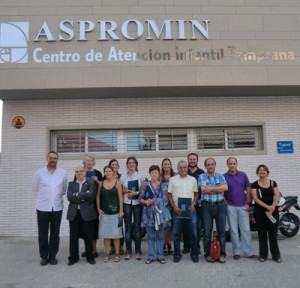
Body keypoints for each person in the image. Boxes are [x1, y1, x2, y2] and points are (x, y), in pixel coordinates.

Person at [32, 151, 68, 266]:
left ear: (57, 160)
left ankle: (52, 256)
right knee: (42, 233)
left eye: (55, 158)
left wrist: (54, 199)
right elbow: (35, 189)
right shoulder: (39, 173)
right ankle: (44, 256)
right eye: (51, 158)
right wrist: (44, 199)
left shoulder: (62, 173)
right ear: (47, 159)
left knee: (54, 233)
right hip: (42, 207)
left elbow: (64, 189)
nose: (53, 160)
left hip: (57, 207)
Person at [223, 157, 258, 260]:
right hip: (230, 206)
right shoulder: (223, 177)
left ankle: (248, 252)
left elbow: (248, 188)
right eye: (230, 163)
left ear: (237, 164)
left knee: (246, 230)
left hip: (243, 206)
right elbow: (222, 192)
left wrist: (248, 203)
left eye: (234, 163)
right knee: (233, 230)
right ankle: (237, 251)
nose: (232, 165)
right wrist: (226, 204)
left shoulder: (243, 175)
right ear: (227, 165)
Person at [168, 160, 199, 263]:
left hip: (190, 210)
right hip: (177, 210)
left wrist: (193, 204)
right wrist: (174, 207)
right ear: (177, 168)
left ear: (187, 168)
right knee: (176, 234)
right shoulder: (172, 180)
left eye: (184, 167)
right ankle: (177, 254)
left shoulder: (193, 179)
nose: (182, 169)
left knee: (193, 233)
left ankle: (194, 254)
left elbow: (196, 194)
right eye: (180, 167)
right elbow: (169, 195)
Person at [199, 158, 228, 263]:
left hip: (220, 206)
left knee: (221, 232)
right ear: (205, 166)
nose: (210, 166)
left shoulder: (221, 176)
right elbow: (203, 190)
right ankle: (208, 254)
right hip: (206, 206)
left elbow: (225, 188)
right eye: (208, 164)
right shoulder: (201, 176)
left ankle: (222, 254)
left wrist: (210, 189)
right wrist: (218, 188)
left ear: (215, 165)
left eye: (212, 164)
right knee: (207, 232)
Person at [251, 164, 282, 263]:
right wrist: (267, 207)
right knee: (262, 234)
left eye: (264, 170)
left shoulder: (273, 183)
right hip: (260, 212)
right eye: (260, 170)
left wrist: (271, 208)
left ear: (267, 172)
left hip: (273, 210)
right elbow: (255, 198)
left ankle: (276, 256)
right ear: (257, 172)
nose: (262, 171)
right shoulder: (254, 184)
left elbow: (277, 195)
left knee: (273, 234)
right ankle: (263, 255)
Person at [66, 166, 97, 265]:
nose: (79, 173)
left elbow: (92, 195)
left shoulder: (90, 183)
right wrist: (84, 195)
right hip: (74, 214)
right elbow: (69, 197)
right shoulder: (71, 184)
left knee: (88, 237)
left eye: (81, 171)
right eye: (77, 172)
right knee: (73, 237)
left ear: (85, 172)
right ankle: (73, 257)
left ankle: (90, 257)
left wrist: (77, 195)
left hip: (87, 213)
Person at [139, 165, 168, 264]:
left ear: (159, 173)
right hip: (148, 215)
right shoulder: (146, 185)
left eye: (156, 172)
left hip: (159, 215)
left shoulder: (163, 185)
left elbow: (165, 200)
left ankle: (160, 255)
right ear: (150, 174)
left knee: (160, 236)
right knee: (150, 236)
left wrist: (154, 201)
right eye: (152, 172)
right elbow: (140, 198)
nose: (154, 174)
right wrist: (146, 202)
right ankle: (151, 256)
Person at [76, 155, 103, 258]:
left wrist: (97, 181)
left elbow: (103, 187)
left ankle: (94, 250)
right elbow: (76, 186)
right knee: (84, 226)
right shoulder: (80, 172)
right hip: (83, 204)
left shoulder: (98, 173)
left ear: (93, 162)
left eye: (91, 161)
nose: (89, 162)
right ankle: (87, 249)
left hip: (94, 203)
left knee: (94, 227)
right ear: (84, 162)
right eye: (87, 161)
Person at [119, 156, 145, 260]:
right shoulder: (123, 177)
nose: (131, 164)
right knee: (128, 228)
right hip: (127, 203)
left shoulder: (140, 175)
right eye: (129, 163)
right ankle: (128, 251)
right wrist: (128, 191)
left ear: (136, 164)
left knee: (137, 228)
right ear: (127, 165)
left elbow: (143, 190)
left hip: (137, 203)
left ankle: (138, 251)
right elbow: (120, 191)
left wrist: (136, 193)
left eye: (133, 162)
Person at [97, 165, 124, 263]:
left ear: (113, 172)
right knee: (106, 235)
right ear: (104, 173)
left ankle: (117, 254)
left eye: (110, 171)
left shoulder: (118, 184)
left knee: (117, 235)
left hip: (116, 214)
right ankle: (107, 254)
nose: (108, 173)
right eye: (106, 171)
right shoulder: (101, 184)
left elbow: (121, 199)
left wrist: (121, 211)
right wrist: (98, 209)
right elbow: (98, 197)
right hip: (105, 214)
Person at [185, 153, 204, 255]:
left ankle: (196, 247)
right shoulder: (184, 171)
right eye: (190, 159)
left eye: (194, 159)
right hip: (186, 202)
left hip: (198, 202)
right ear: (188, 160)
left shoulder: (201, 172)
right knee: (186, 225)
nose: (192, 161)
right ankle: (187, 246)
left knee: (197, 226)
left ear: (197, 160)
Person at [108, 159, 124, 256]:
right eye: (112, 165)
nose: (114, 166)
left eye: (116, 165)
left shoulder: (121, 177)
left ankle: (120, 247)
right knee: (110, 226)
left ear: (118, 166)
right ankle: (112, 247)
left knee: (119, 225)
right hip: (109, 205)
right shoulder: (106, 176)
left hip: (119, 204)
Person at [160, 158, 175, 256]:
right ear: (162, 166)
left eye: (168, 164)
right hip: (162, 203)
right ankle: (166, 244)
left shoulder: (175, 176)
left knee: (171, 225)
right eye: (164, 164)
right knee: (164, 225)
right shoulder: (159, 177)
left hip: (173, 202)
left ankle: (165, 243)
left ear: (170, 165)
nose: (166, 166)